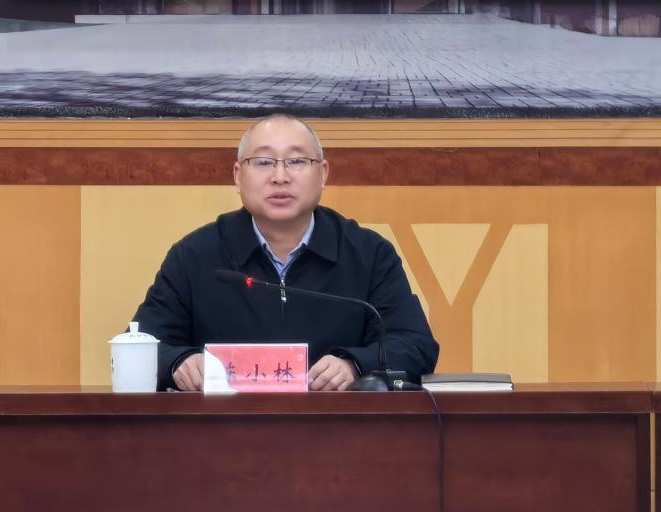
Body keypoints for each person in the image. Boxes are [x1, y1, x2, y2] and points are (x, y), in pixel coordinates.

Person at [133, 114, 438, 391]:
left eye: (296, 161)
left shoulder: (369, 254)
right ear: (238, 176)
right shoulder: (194, 256)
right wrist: (179, 361)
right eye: (264, 162)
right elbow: (140, 346)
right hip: (223, 429)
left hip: (337, 428)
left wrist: (355, 365)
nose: (280, 176)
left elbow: (415, 345)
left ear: (323, 174)